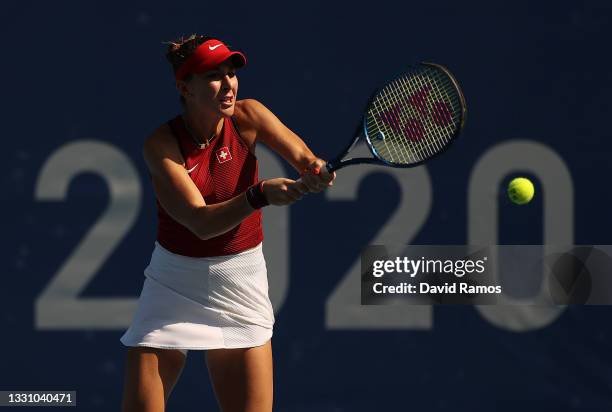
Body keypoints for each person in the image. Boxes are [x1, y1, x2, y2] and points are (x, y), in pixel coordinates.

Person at [119, 34, 335, 412]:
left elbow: (304, 157)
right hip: (173, 282)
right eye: (214, 76)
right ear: (184, 87)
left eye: (231, 73)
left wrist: (315, 169)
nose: (229, 84)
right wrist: (260, 193)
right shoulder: (161, 146)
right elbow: (199, 223)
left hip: (240, 279)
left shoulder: (250, 115)